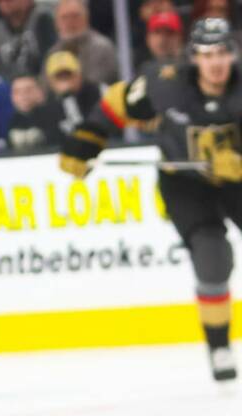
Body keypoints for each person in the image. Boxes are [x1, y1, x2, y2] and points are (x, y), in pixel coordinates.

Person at [60, 17, 242, 382]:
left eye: (223, 52)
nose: (216, 62)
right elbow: (117, 102)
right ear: (194, 57)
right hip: (185, 182)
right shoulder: (165, 83)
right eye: (207, 54)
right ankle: (219, 346)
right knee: (211, 257)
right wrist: (87, 139)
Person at [48, 0, 118, 86]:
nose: (70, 22)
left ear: (86, 18)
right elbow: (46, 86)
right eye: (64, 17)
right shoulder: (53, 52)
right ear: (56, 23)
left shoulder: (101, 47)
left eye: (75, 16)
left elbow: (95, 84)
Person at [0, 0, 57, 78]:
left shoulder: (43, 19)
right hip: (10, 86)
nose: (5, 3)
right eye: (1, 1)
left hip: (41, 80)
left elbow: (51, 56)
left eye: (9, 1)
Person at [44, 50, 100, 134]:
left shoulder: (96, 94)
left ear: (79, 76)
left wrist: (68, 97)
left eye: (68, 76)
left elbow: (86, 132)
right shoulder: (49, 102)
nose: (65, 82)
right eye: (59, 77)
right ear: (51, 82)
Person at [6, 72, 61, 149]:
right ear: (12, 97)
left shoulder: (57, 117)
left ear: (40, 92)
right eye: (17, 92)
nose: (23, 96)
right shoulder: (7, 121)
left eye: (28, 90)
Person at [138, 11, 184, 75]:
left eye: (169, 33)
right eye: (157, 32)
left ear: (180, 37)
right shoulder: (142, 72)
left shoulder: (192, 71)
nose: (162, 39)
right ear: (148, 38)